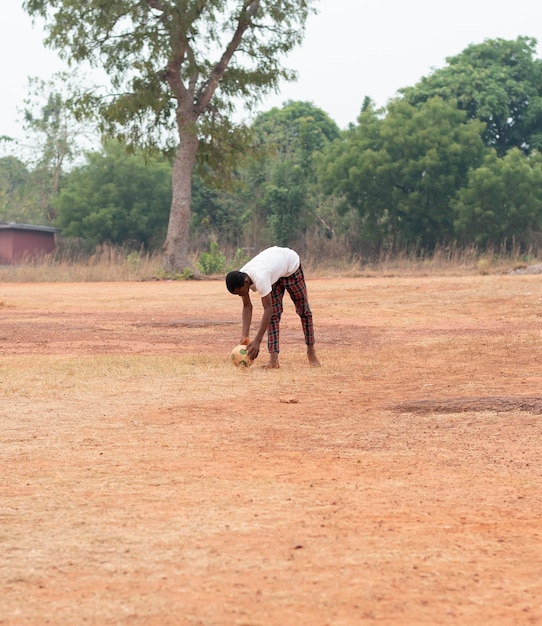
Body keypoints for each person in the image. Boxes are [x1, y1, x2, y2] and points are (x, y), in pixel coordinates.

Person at [225, 246, 320, 368]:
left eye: (239, 292)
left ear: (246, 283)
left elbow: (267, 310)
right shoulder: (241, 276)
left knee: (304, 311)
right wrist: (245, 335)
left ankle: (311, 351)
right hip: (274, 271)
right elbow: (247, 306)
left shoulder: (260, 277)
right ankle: (273, 361)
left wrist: (258, 341)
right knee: (274, 316)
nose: (240, 295)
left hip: (291, 267)